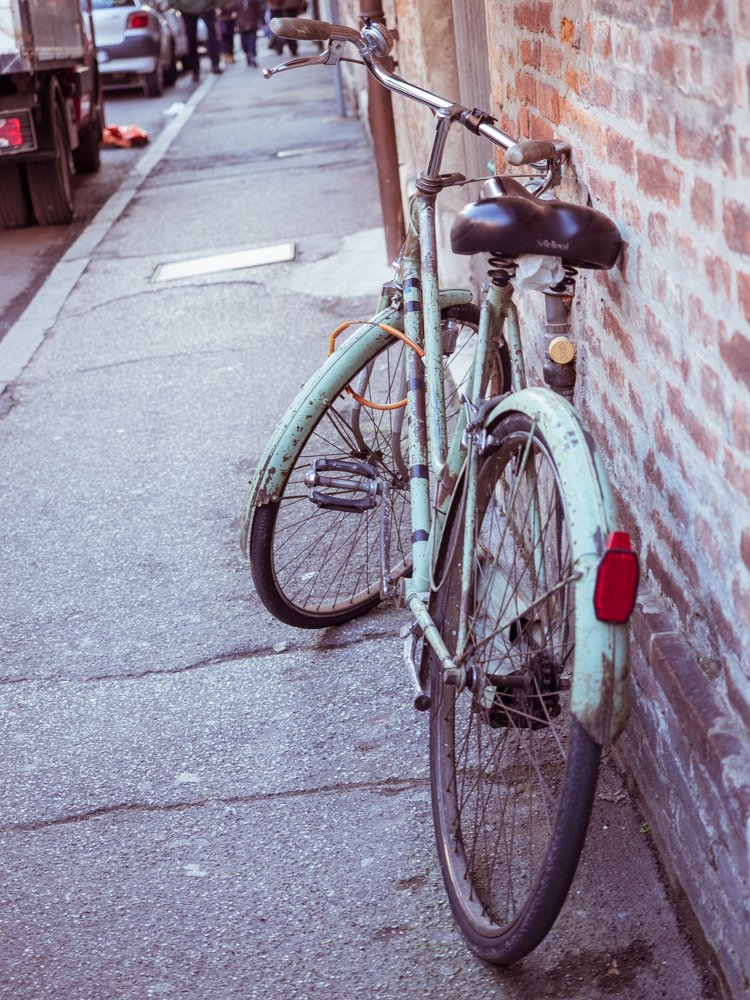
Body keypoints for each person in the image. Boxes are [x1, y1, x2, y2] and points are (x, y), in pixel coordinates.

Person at [171, 0, 222, 80]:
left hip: (206, 7)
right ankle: (196, 70)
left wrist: (218, 6)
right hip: (187, 9)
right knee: (192, 40)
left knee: (210, 36)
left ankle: (214, 65)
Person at [236, 0, 265, 67]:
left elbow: (259, 11)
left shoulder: (254, 1)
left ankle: (253, 58)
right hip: (242, 27)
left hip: (252, 25)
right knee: (244, 45)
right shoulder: (237, 2)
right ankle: (248, 54)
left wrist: (263, 23)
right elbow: (228, 8)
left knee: (252, 43)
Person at [218, 0, 239, 64]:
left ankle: (230, 54)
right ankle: (225, 53)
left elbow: (235, 3)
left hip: (230, 17)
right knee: (224, 34)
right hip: (221, 18)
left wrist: (234, 10)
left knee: (230, 35)